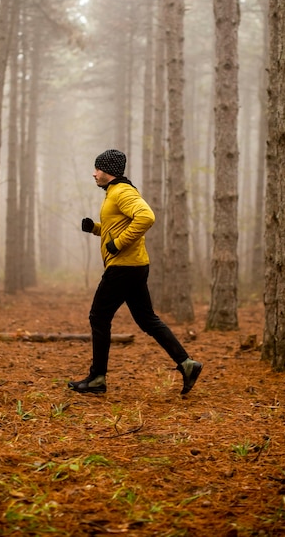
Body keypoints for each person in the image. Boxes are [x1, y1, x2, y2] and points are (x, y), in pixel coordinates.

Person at [68, 149, 202, 396]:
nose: (94, 173)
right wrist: (96, 229)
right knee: (147, 319)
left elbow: (146, 217)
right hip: (134, 265)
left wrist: (117, 244)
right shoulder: (115, 192)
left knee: (98, 317)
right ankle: (187, 364)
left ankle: (97, 378)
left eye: (97, 169)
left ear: (108, 171)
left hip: (123, 267)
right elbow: (119, 226)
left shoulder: (122, 191)